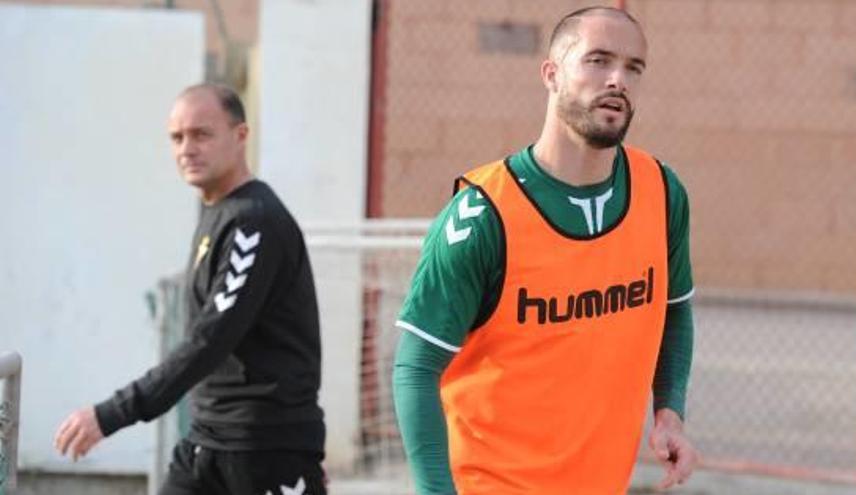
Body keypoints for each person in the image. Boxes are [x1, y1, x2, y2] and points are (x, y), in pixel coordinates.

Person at [392, 6, 698, 495]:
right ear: (551, 74)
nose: (618, 79)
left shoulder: (661, 192)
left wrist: (669, 410)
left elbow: (674, 311)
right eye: (598, 60)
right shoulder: (484, 215)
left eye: (633, 67)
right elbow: (414, 368)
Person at [54, 84, 326, 495]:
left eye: (202, 134)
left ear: (240, 136)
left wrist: (112, 414)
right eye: (177, 138)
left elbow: (209, 340)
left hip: (264, 449)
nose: (187, 148)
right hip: (208, 443)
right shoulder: (220, 214)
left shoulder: (255, 222)